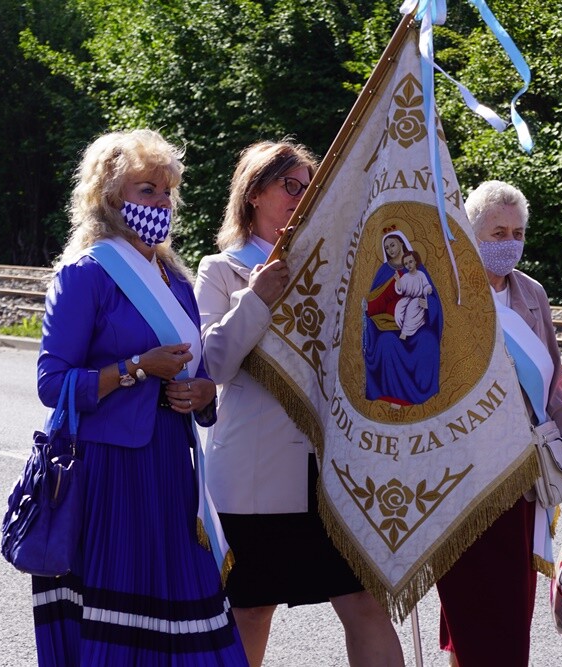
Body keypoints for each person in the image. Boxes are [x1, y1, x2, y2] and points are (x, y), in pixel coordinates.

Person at [33, 129, 247, 666]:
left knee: (187, 606)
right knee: (125, 616)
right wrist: (132, 370)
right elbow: (51, 384)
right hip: (112, 474)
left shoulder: (174, 279)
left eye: (166, 190)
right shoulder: (86, 275)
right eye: (146, 189)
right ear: (109, 198)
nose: (160, 203)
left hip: (171, 468)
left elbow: (199, 378)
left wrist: (201, 395)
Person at [194, 140, 405, 667]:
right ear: (254, 193)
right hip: (256, 476)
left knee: (364, 603)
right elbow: (211, 365)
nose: (303, 196)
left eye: (310, 187)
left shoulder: (339, 269)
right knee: (250, 608)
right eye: (291, 185)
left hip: (335, 473)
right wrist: (257, 297)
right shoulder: (222, 270)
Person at [435, 180, 562, 667]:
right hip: (462, 475)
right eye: (496, 232)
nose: (509, 241)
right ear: (470, 232)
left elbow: (552, 388)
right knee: (470, 604)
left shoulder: (531, 292)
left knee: (511, 604)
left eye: (518, 232)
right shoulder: (449, 289)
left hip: (522, 476)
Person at [363, 230, 443, 405]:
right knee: (386, 343)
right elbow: (375, 303)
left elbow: (433, 297)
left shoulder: (419, 269)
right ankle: (394, 397)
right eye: (387, 248)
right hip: (389, 325)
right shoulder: (384, 271)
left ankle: (425, 395)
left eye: (393, 245)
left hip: (419, 322)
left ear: (401, 243)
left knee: (428, 341)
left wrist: (428, 304)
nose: (390, 250)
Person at [393, 250, 433, 340]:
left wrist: (428, 290)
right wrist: (398, 281)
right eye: (406, 263)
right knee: (398, 311)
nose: (409, 265)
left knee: (412, 306)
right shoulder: (405, 277)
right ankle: (404, 328)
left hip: (417, 301)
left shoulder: (421, 275)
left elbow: (426, 286)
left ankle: (404, 333)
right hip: (407, 299)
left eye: (410, 262)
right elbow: (400, 289)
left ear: (415, 261)